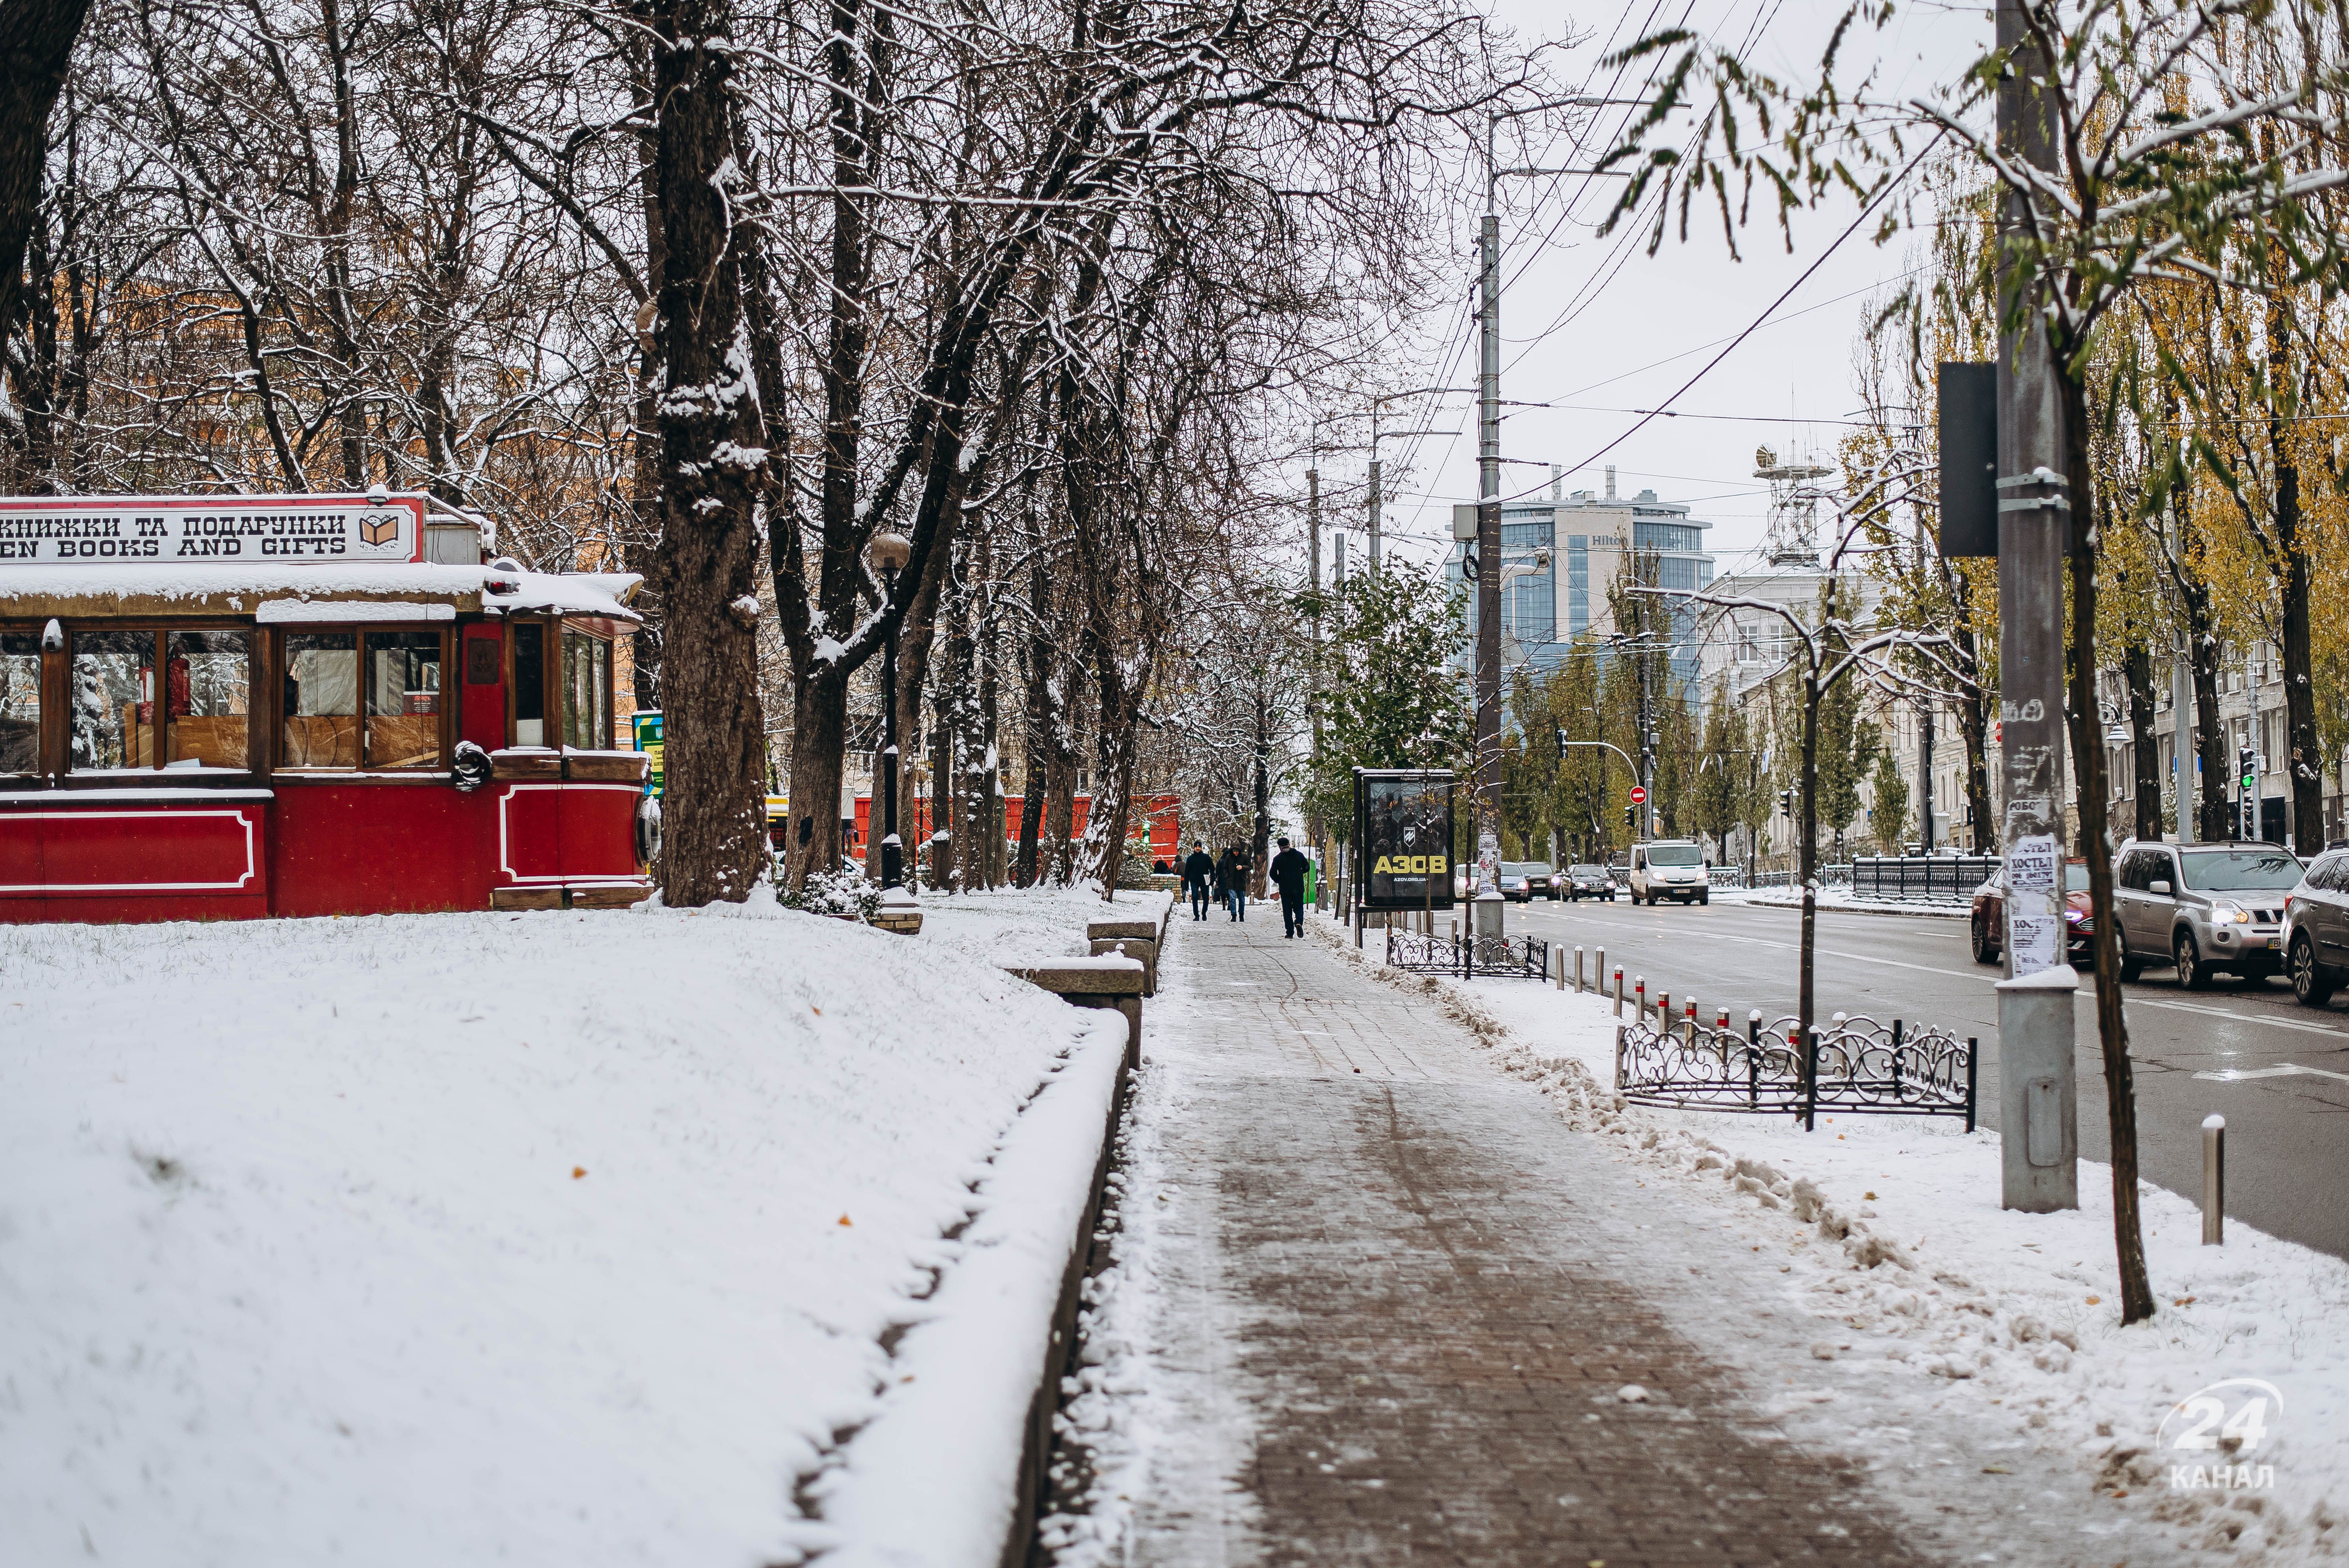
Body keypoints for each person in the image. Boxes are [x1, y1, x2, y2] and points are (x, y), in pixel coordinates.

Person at [1270, 837, 1310, 938]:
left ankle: (1290, 933)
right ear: (1289, 845)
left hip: (1285, 889)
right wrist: (1299, 873)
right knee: (1299, 907)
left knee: (1287, 911)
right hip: (1299, 888)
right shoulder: (1299, 855)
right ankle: (1299, 922)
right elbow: (1307, 867)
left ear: (1280, 847)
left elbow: (1272, 873)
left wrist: (1280, 880)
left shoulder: (1278, 859)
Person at [1183, 840, 1215, 920]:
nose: (1198, 848)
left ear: (1201, 848)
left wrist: (1212, 880)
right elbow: (1187, 872)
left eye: (1199, 847)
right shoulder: (1190, 859)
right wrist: (1186, 883)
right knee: (1195, 897)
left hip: (1204, 880)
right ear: (1194, 848)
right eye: (1196, 847)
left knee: (1206, 898)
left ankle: (1204, 913)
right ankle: (1196, 915)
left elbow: (1212, 869)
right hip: (1194, 880)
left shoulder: (1206, 857)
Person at [1216, 845, 1245, 922]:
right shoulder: (1229, 859)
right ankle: (1232, 910)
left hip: (1224, 880)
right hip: (1229, 880)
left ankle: (1225, 907)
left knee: (1225, 895)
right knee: (1231, 896)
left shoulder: (1221, 861)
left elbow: (1218, 870)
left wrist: (1219, 878)